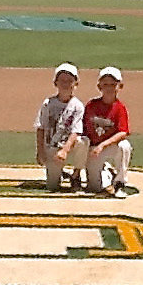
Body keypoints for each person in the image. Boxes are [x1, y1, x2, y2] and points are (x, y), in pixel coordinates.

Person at [34, 62, 89, 191]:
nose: (65, 84)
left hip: (69, 146)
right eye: (62, 80)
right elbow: (40, 127)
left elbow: (76, 130)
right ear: (55, 83)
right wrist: (40, 151)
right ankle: (61, 173)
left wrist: (65, 150)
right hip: (52, 147)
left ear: (76, 84)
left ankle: (76, 174)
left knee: (83, 142)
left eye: (69, 81)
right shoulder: (48, 103)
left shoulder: (78, 106)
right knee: (52, 186)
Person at [83, 66, 132, 198]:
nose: (109, 88)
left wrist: (103, 145)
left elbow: (123, 132)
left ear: (119, 86)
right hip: (93, 149)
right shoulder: (91, 105)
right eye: (105, 84)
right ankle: (108, 171)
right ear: (99, 87)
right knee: (95, 188)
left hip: (109, 147)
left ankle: (119, 183)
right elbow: (83, 129)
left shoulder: (120, 108)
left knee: (124, 146)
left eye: (112, 84)